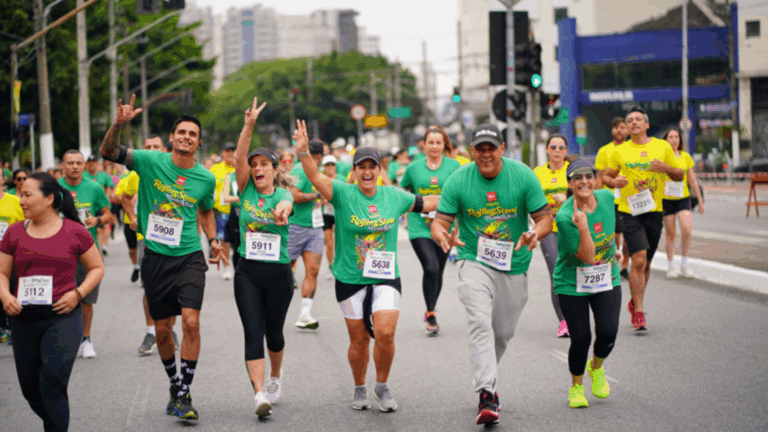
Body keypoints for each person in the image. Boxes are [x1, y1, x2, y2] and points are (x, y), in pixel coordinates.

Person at [294, 119, 440, 413]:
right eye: (362, 167)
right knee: (358, 339)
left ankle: (382, 385)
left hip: (385, 277)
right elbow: (313, 175)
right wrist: (302, 153)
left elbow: (427, 203)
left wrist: (460, 196)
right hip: (349, 278)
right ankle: (360, 385)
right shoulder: (343, 194)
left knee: (385, 332)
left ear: (379, 170)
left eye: (372, 166)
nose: (368, 172)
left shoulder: (394, 196)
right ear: (355, 171)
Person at [100, 95, 227, 421]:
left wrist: (213, 240)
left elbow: (205, 211)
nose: (186, 137)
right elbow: (108, 152)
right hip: (155, 257)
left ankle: (184, 395)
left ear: (198, 143)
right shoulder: (149, 161)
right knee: (162, 331)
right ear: (172, 138)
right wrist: (119, 124)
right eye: (181, 132)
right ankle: (175, 384)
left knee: (191, 322)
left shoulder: (205, 178)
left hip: (189, 257)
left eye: (192, 134)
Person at [431, 123, 551, 426]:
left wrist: (535, 233)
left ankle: (487, 374)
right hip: (474, 260)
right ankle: (487, 393)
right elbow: (439, 221)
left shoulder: (523, 175)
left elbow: (544, 218)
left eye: (491, 148)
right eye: (479, 148)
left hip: (515, 263)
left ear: (501, 149)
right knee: (480, 322)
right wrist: (442, 235)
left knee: (502, 332)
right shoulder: (458, 180)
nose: (486, 154)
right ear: (472, 151)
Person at [0, 172, 105, 432]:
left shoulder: (75, 232)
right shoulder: (14, 233)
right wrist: (5, 295)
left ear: (48, 199)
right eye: (19, 194)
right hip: (23, 319)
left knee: (52, 385)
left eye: (27, 194)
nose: (20, 200)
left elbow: (97, 268)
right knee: (30, 390)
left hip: (62, 316)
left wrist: (77, 294)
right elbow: (2, 273)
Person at [232, 97, 296, 418]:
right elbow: (238, 158)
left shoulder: (282, 194)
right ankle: (259, 395)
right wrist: (249, 125)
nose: (258, 169)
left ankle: (275, 374)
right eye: (254, 165)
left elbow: (286, 205)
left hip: (278, 274)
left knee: (275, 333)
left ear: (274, 170)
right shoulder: (245, 189)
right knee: (253, 332)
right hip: (247, 272)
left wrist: (282, 212)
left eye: (264, 165)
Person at [603, 107, 683, 331]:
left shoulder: (662, 146)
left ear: (647, 125)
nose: (634, 123)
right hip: (630, 211)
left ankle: (635, 300)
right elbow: (606, 176)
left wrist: (666, 168)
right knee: (637, 260)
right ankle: (638, 311)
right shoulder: (620, 152)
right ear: (627, 127)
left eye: (638, 119)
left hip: (654, 211)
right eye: (630, 120)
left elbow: (680, 174)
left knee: (646, 263)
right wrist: (614, 182)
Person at [553, 159, 622, 409]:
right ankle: (576, 387)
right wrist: (582, 227)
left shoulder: (605, 197)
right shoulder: (564, 217)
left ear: (595, 179)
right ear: (570, 184)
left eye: (588, 176)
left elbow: (614, 224)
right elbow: (588, 257)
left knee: (608, 332)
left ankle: (596, 368)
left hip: (606, 277)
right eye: (577, 178)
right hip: (572, 283)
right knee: (581, 337)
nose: (584, 181)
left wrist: (618, 249)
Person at [118, 135, 179, 355]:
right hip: (148, 237)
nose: (151, 150)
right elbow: (125, 197)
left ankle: (169, 328)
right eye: (147, 147)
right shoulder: (138, 172)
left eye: (156, 147)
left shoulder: (177, 171)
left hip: (174, 238)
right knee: (150, 286)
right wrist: (132, 216)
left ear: (165, 149)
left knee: (172, 287)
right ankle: (151, 331)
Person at [399, 126, 460, 334]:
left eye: (438, 143)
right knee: (431, 267)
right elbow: (404, 191)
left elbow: (460, 195)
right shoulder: (413, 168)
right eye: (430, 142)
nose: (434, 146)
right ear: (424, 145)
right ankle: (431, 313)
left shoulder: (454, 167)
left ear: (444, 145)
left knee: (439, 271)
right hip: (419, 226)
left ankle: (430, 309)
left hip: (444, 225)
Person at [58, 150, 113, 359]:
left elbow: (108, 215)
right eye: (70, 163)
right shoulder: (54, 189)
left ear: (84, 166)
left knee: (85, 298)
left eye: (78, 163)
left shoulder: (94, 187)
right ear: (62, 165)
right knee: (59, 295)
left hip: (86, 250)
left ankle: (86, 339)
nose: (74, 166)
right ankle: (62, 338)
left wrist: (96, 221)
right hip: (59, 250)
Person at [533, 134, 573, 337]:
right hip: (548, 228)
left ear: (566, 151)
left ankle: (577, 314)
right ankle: (564, 321)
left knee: (573, 272)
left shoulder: (573, 171)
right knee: (556, 271)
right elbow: (529, 198)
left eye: (561, 147)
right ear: (547, 150)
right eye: (553, 147)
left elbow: (587, 195)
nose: (557, 150)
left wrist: (566, 198)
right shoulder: (538, 173)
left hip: (572, 228)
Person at [287, 139, 327, 330]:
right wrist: (317, 196)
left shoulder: (317, 172)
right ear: (318, 156)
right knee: (284, 270)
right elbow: (293, 195)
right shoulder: (300, 170)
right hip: (294, 226)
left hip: (315, 228)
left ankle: (304, 314)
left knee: (313, 270)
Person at [661, 127, 705, 279]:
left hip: (682, 198)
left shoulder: (685, 157)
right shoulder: (661, 157)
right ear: (665, 140)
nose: (674, 139)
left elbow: (692, 180)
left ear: (680, 140)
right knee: (670, 233)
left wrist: (699, 200)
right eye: (671, 137)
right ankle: (671, 265)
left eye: (676, 137)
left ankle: (685, 263)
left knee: (687, 229)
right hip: (666, 200)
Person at [595, 117, 630, 279]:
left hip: (631, 199)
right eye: (616, 127)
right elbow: (600, 177)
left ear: (628, 130)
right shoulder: (604, 151)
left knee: (630, 234)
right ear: (612, 131)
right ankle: (614, 262)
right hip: (610, 199)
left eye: (623, 127)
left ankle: (625, 266)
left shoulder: (633, 150)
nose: (619, 130)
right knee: (614, 234)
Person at [0, 168, 24, 344]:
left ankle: (13, 327)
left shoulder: (15, 201)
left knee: (12, 290)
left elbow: (28, 225)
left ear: (3, 179)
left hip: (11, 256)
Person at [210, 142, 238, 280]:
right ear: (222, 153)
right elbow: (208, 186)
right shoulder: (216, 169)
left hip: (239, 210)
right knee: (223, 240)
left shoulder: (241, 168)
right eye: (227, 151)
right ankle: (227, 268)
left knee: (240, 240)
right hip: (221, 211)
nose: (230, 153)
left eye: (232, 151)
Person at [83, 155, 115, 256]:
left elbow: (110, 186)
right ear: (87, 164)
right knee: (95, 229)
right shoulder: (83, 175)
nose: (92, 164)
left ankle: (102, 247)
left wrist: (107, 198)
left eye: (94, 162)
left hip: (101, 205)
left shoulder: (103, 176)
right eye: (90, 162)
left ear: (97, 164)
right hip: (89, 206)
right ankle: (96, 248)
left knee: (103, 226)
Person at [320, 155, 338, 280]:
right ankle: (331, 267)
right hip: (326, 213)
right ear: (324, 167)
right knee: (329, 243)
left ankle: (338, 266)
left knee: (337, 241)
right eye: (327, 165)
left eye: (332, 164)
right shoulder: (321, 179)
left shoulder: (340, 179)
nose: (330, 167)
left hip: (338, 213)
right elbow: (321, 198)